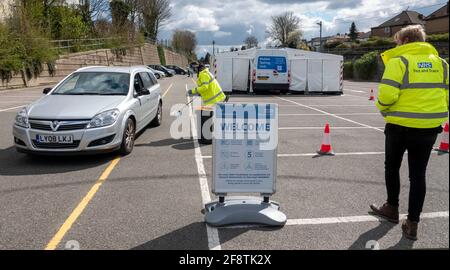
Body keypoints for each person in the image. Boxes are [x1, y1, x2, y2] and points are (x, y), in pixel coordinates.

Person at [370, 25, 449, 241]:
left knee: (392, 166)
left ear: (404, 41)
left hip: (400, 125)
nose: (397, 45)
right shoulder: (442, 64)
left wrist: (385, 110)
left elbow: (386, 94)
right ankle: (412, 224)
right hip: (428, 127)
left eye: (397, 41)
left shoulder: (400, 61)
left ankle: (392, 208)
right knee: (418, 174)